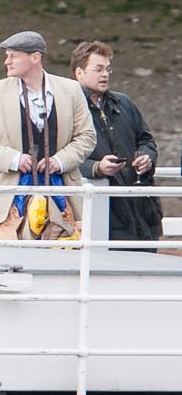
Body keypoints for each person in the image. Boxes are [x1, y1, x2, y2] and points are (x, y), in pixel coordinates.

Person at [0, 30, 96, 235]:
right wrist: (13, 159)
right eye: (7, 56)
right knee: (9, 260)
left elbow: (87, 137)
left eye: (13, 55)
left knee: (62, 258)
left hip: (62, 198)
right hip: (7, 203)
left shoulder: (71, 90)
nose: (7, 61)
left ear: (35, 57)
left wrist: (59, 161)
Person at [72, 38, 161, 244]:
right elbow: (59, 158)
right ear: (79, 73)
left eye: (108, 69)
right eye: (98, 69)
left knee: (147, 271)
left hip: (142, 213)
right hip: (102, 216)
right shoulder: (68, 109)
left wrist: (147, 158)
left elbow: (147, 140)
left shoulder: (124, 103)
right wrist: (95, 168)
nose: (105, 74)